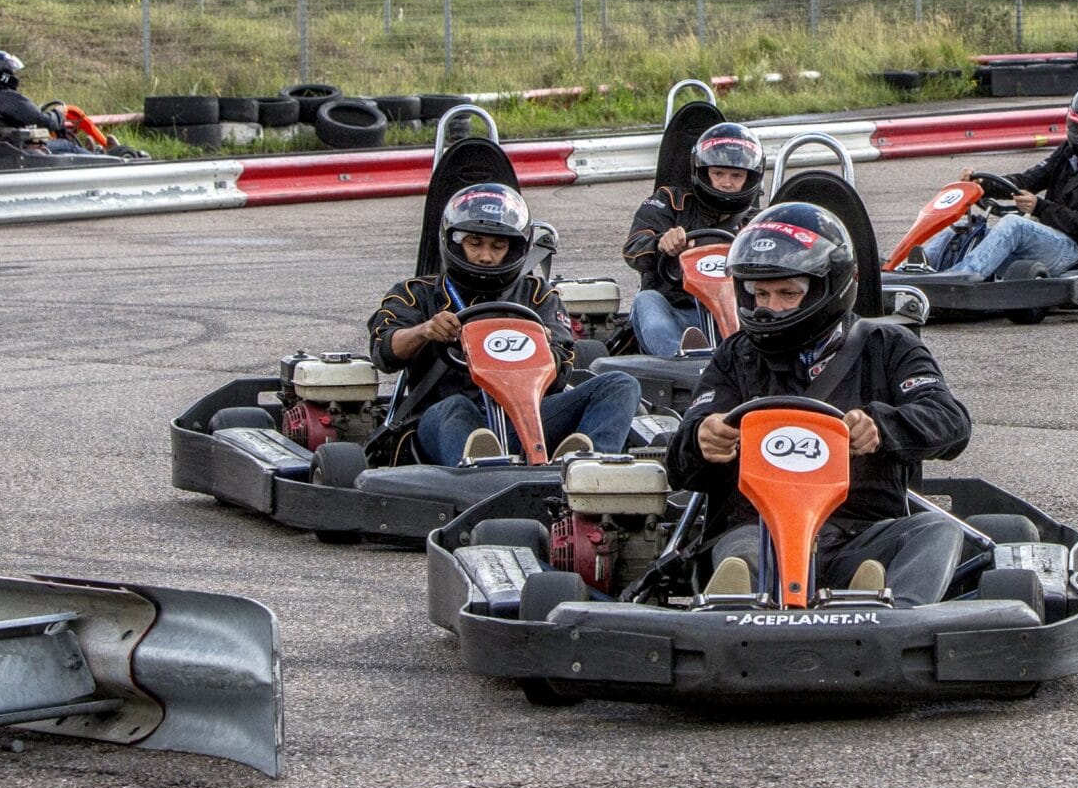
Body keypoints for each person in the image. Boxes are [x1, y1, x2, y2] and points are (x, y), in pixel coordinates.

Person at [665, 201, 972, 601]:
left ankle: (895, 620)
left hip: (859, 534)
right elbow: (680, 460)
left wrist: (881, 427)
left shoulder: (888, 346)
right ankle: (738, 615)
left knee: (939, 530)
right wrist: (703, 439)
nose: (769, 307)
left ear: (831, 288)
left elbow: (950, 421)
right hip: (756, 533)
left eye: (787, 293)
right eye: (761, 293)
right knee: (740, 559)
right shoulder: (735, 356)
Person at [368, 181, 641, 465]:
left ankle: (587, 470)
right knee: (455, 409)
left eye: (498, 246)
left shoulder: (538, 295)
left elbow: (562, 372)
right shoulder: (416, 294)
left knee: (620, 385)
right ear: (454, 242)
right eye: (475, 244)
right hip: (443, 420)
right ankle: (481, 471)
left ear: (514, 249)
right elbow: (384, 352)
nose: (486, 256)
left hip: (526, 419)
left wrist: (543, 347)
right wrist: (424, 331)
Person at [916, 80, 1078, 278]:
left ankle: (961, 277)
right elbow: (1028, 180)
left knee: (1015, 225)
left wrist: (1040, 208)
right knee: (968, 225)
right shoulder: (1069, 153)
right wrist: (984, 185)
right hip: (1050, 242)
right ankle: (916, 268)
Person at [622, 121, 766, 356]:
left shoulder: (756, 223)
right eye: (718, 173)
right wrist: (661, 244)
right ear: (703, 173)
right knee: (647, 300)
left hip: (740, 313)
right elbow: (632, 248)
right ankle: (683, 358)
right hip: (678, 313)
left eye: (735, 175)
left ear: (750, 178)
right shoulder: (670, 201)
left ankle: (748, 358)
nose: (726, 183)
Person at [0, 50, 81, 146]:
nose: (14, 74)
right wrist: (58, 114)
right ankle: (94, 156)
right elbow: (40, 119)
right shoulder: (7, 98)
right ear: (4, 74)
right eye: (11, 71)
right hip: (20, 149)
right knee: (67, 146)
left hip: (1, 146)